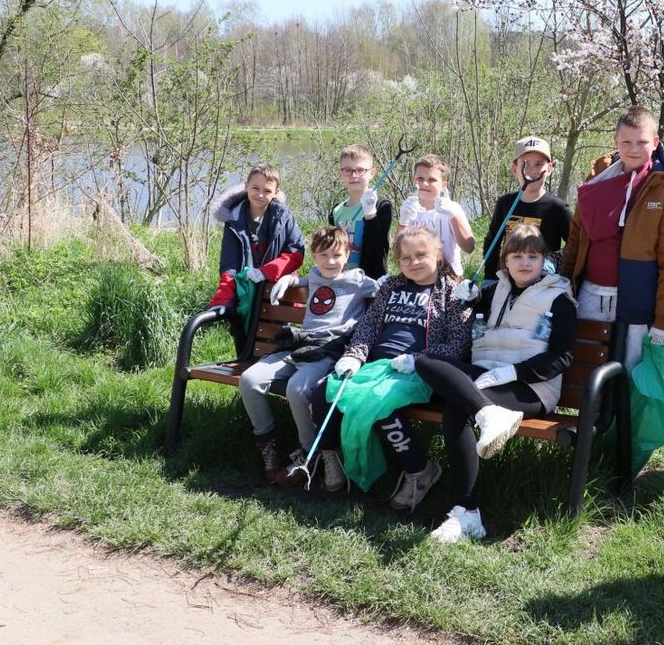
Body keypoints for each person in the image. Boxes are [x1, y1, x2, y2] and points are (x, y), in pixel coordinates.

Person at [414, 224, 577, 542]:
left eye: (533, 255)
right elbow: (468, 303)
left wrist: (515, 373)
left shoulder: (560, 299)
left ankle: (468, 512)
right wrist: (468, 297)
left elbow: (562, 357)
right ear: (505, 261)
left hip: (530, 388)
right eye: (517, 256)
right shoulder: (496, 288)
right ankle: (488, 414)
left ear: (544, 259)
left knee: (456, 408)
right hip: (487, 378)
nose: (525, 263)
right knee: (425, 360)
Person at [326, 227, 472, 510]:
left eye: (421, 255)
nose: (413, 262)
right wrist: (356, 355)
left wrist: (417, 358)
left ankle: (419, 470)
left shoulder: (453, 292)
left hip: (420, 371)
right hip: (376, 366)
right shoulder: (392, 287)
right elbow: (369, 325)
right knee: (329, 391)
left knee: (381, 405)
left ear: (438, 254)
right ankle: (332, 459)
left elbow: (458, 344)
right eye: (405, 258)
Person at [237, 226, 377, 489]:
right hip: (299, 345)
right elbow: (303, 280)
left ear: (347, 254)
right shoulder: (314, 275)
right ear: (314, 256)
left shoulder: (358, 281)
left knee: (298, 388)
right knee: (249, 380)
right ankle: (268, 446)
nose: (330, 262)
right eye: (323, 256)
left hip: (328, 350)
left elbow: (382, 290)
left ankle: (310, 453)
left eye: (337, 255)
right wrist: (289, 279)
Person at [560, 106, 664, 371]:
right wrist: (563, 285)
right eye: (626, 142)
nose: (633, 149)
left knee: (630, 383)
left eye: (642, 142)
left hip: (637, 302)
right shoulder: (597, 180)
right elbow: (576, 239)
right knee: (585, 377)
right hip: (589, 296)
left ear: (655, 142)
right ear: (615, 142)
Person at [207, 162, 304, 310]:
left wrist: (265, 272)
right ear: (246, 186)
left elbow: (295, 254)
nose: (260, 195)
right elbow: (230, 264)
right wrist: (222, 299)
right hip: (246, 292)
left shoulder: (284, 218)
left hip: (278, 292)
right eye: (255, 188)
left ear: (276, 192)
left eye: (267, 191)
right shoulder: (233, 219)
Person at [481, 137, 572, 281]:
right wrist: (490, 278)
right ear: (514, 168)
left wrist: (553, 260)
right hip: (507, 281)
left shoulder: (558, 208)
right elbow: (492, 242)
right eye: (525, 164)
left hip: (542, 284)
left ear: (549, 168)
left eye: (539, 164)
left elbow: (574, 243)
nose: (532, 171)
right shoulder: (505, 203)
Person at [397, 155, 475, 277]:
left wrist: (453, 215)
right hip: (415, 278)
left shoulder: (453, 208)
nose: (425, 184)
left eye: (432, 180)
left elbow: (469, 247)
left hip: (448, 277)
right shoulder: (409, 208)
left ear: (444, 184)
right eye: (420, 179)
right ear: (413, 180)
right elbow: (399, 254)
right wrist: (403, 222)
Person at [328, 143, 393, 279]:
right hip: (341, 280)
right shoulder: (336, 210)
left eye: (360, 170)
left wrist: (370, 214)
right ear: (340, 173)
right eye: (348, 170)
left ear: (372, 173)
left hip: (369, 281)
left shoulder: (382, 206)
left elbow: (378, 249)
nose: (354, 175)